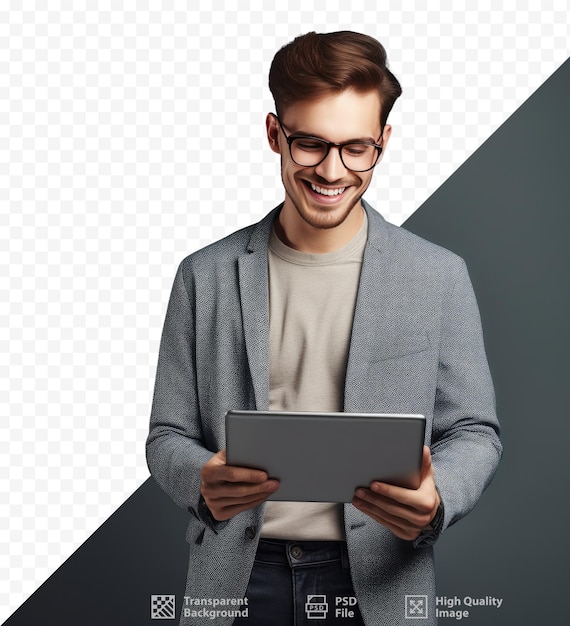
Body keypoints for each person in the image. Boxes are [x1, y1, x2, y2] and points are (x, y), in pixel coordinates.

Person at [146, 31, 501, 626]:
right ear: (273, 134)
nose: (332, 170)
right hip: (235, 579)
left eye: (356, 147)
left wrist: (438, 498)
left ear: (383, 143)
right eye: (310, 143)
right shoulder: (203, 275)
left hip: (380, 582)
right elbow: (167, 432)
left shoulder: (436, 275)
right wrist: (201, 478)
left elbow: (474, 429)